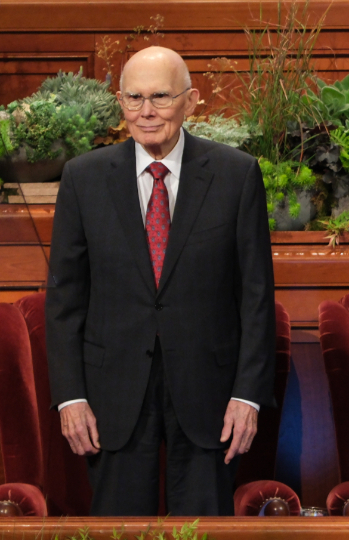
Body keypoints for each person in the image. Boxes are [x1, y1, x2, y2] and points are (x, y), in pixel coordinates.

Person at [45, 46, 276, 516]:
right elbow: (65, 300)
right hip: (112, 397)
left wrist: (247, 395)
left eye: (160, 97)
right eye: (134, 98)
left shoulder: (236, 174)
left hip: (211, 397)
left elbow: (256, 297)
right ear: (120, 102)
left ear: (191, 100)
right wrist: (70, 396)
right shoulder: (83, 178)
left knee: (205, 528)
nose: (146, 111)